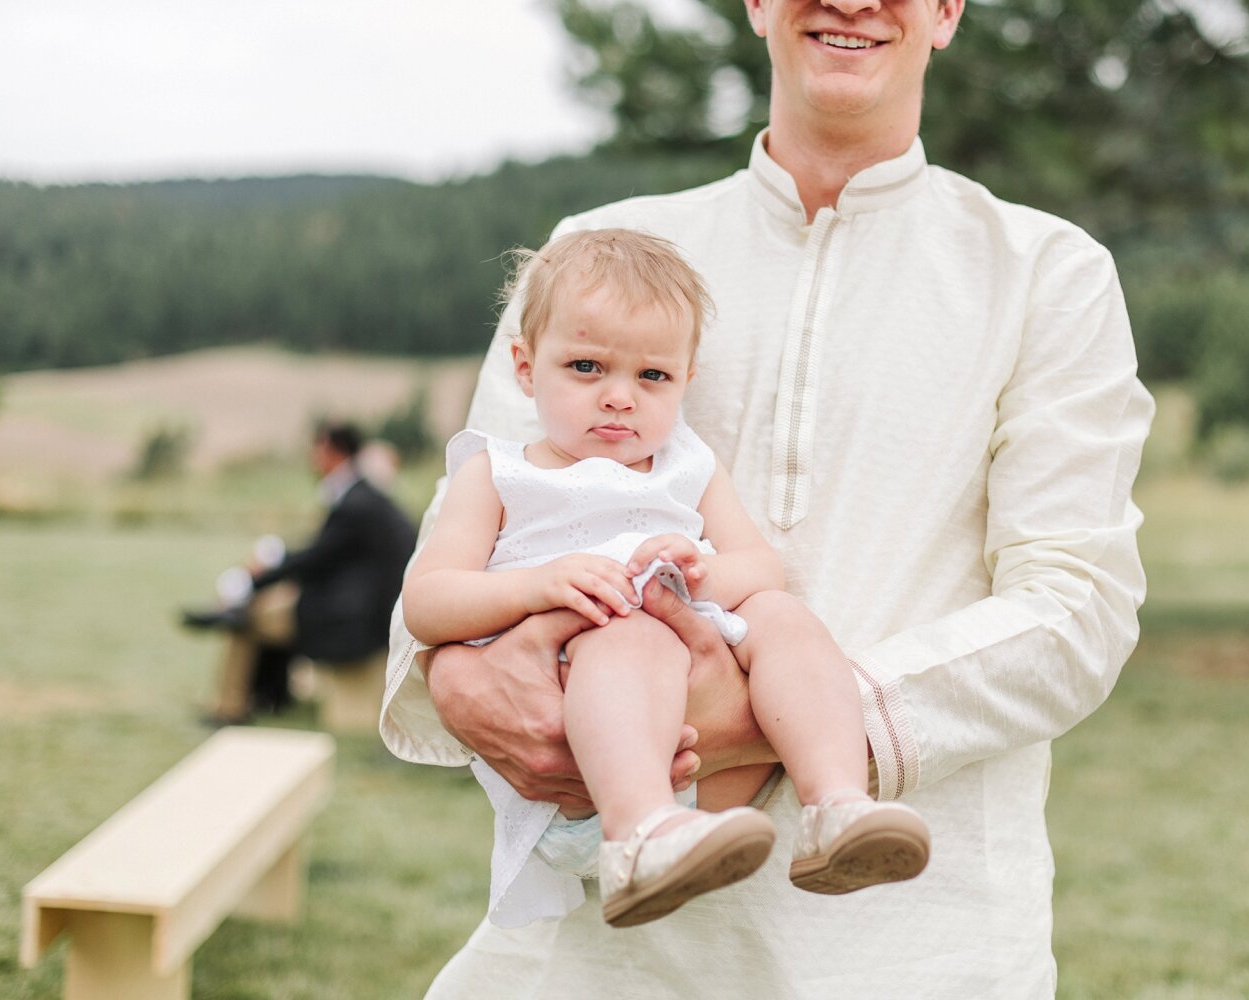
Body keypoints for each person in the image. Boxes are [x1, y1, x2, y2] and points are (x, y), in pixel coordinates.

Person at [381, 0, 1153, 994]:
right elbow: (458, 557)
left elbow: (1076, 611)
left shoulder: (1047, 274)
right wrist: (461, 685)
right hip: (597, 957)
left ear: (950, 8)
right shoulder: (600, 254)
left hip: (916, 945)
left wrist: (774, 716)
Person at [400, 229, 931, 929]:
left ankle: (834, 805)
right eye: (587, 367)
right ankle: (640, 838)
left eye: (652, 377)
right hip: (583, 781)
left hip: (713, 772)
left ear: (686, 380)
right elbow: (427, 602)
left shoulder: (688, 467)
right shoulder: (499, 475)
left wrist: (700, 570)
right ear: (526, 369)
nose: (621, 397)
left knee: (781, 614)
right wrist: (537, 584)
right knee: (631, 637)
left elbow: (760, 565)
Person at [189, 421, 416, 724]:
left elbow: (317, 557)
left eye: (315, 449)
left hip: (354, 616)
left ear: (330, 451)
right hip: (366, 603)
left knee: (247, 617)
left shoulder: (354, 502)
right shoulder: (363, 494)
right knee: (274, 600)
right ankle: (272, 694)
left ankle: (229, 707)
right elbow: (328, 552)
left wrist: (257, 578)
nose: (311, 458)